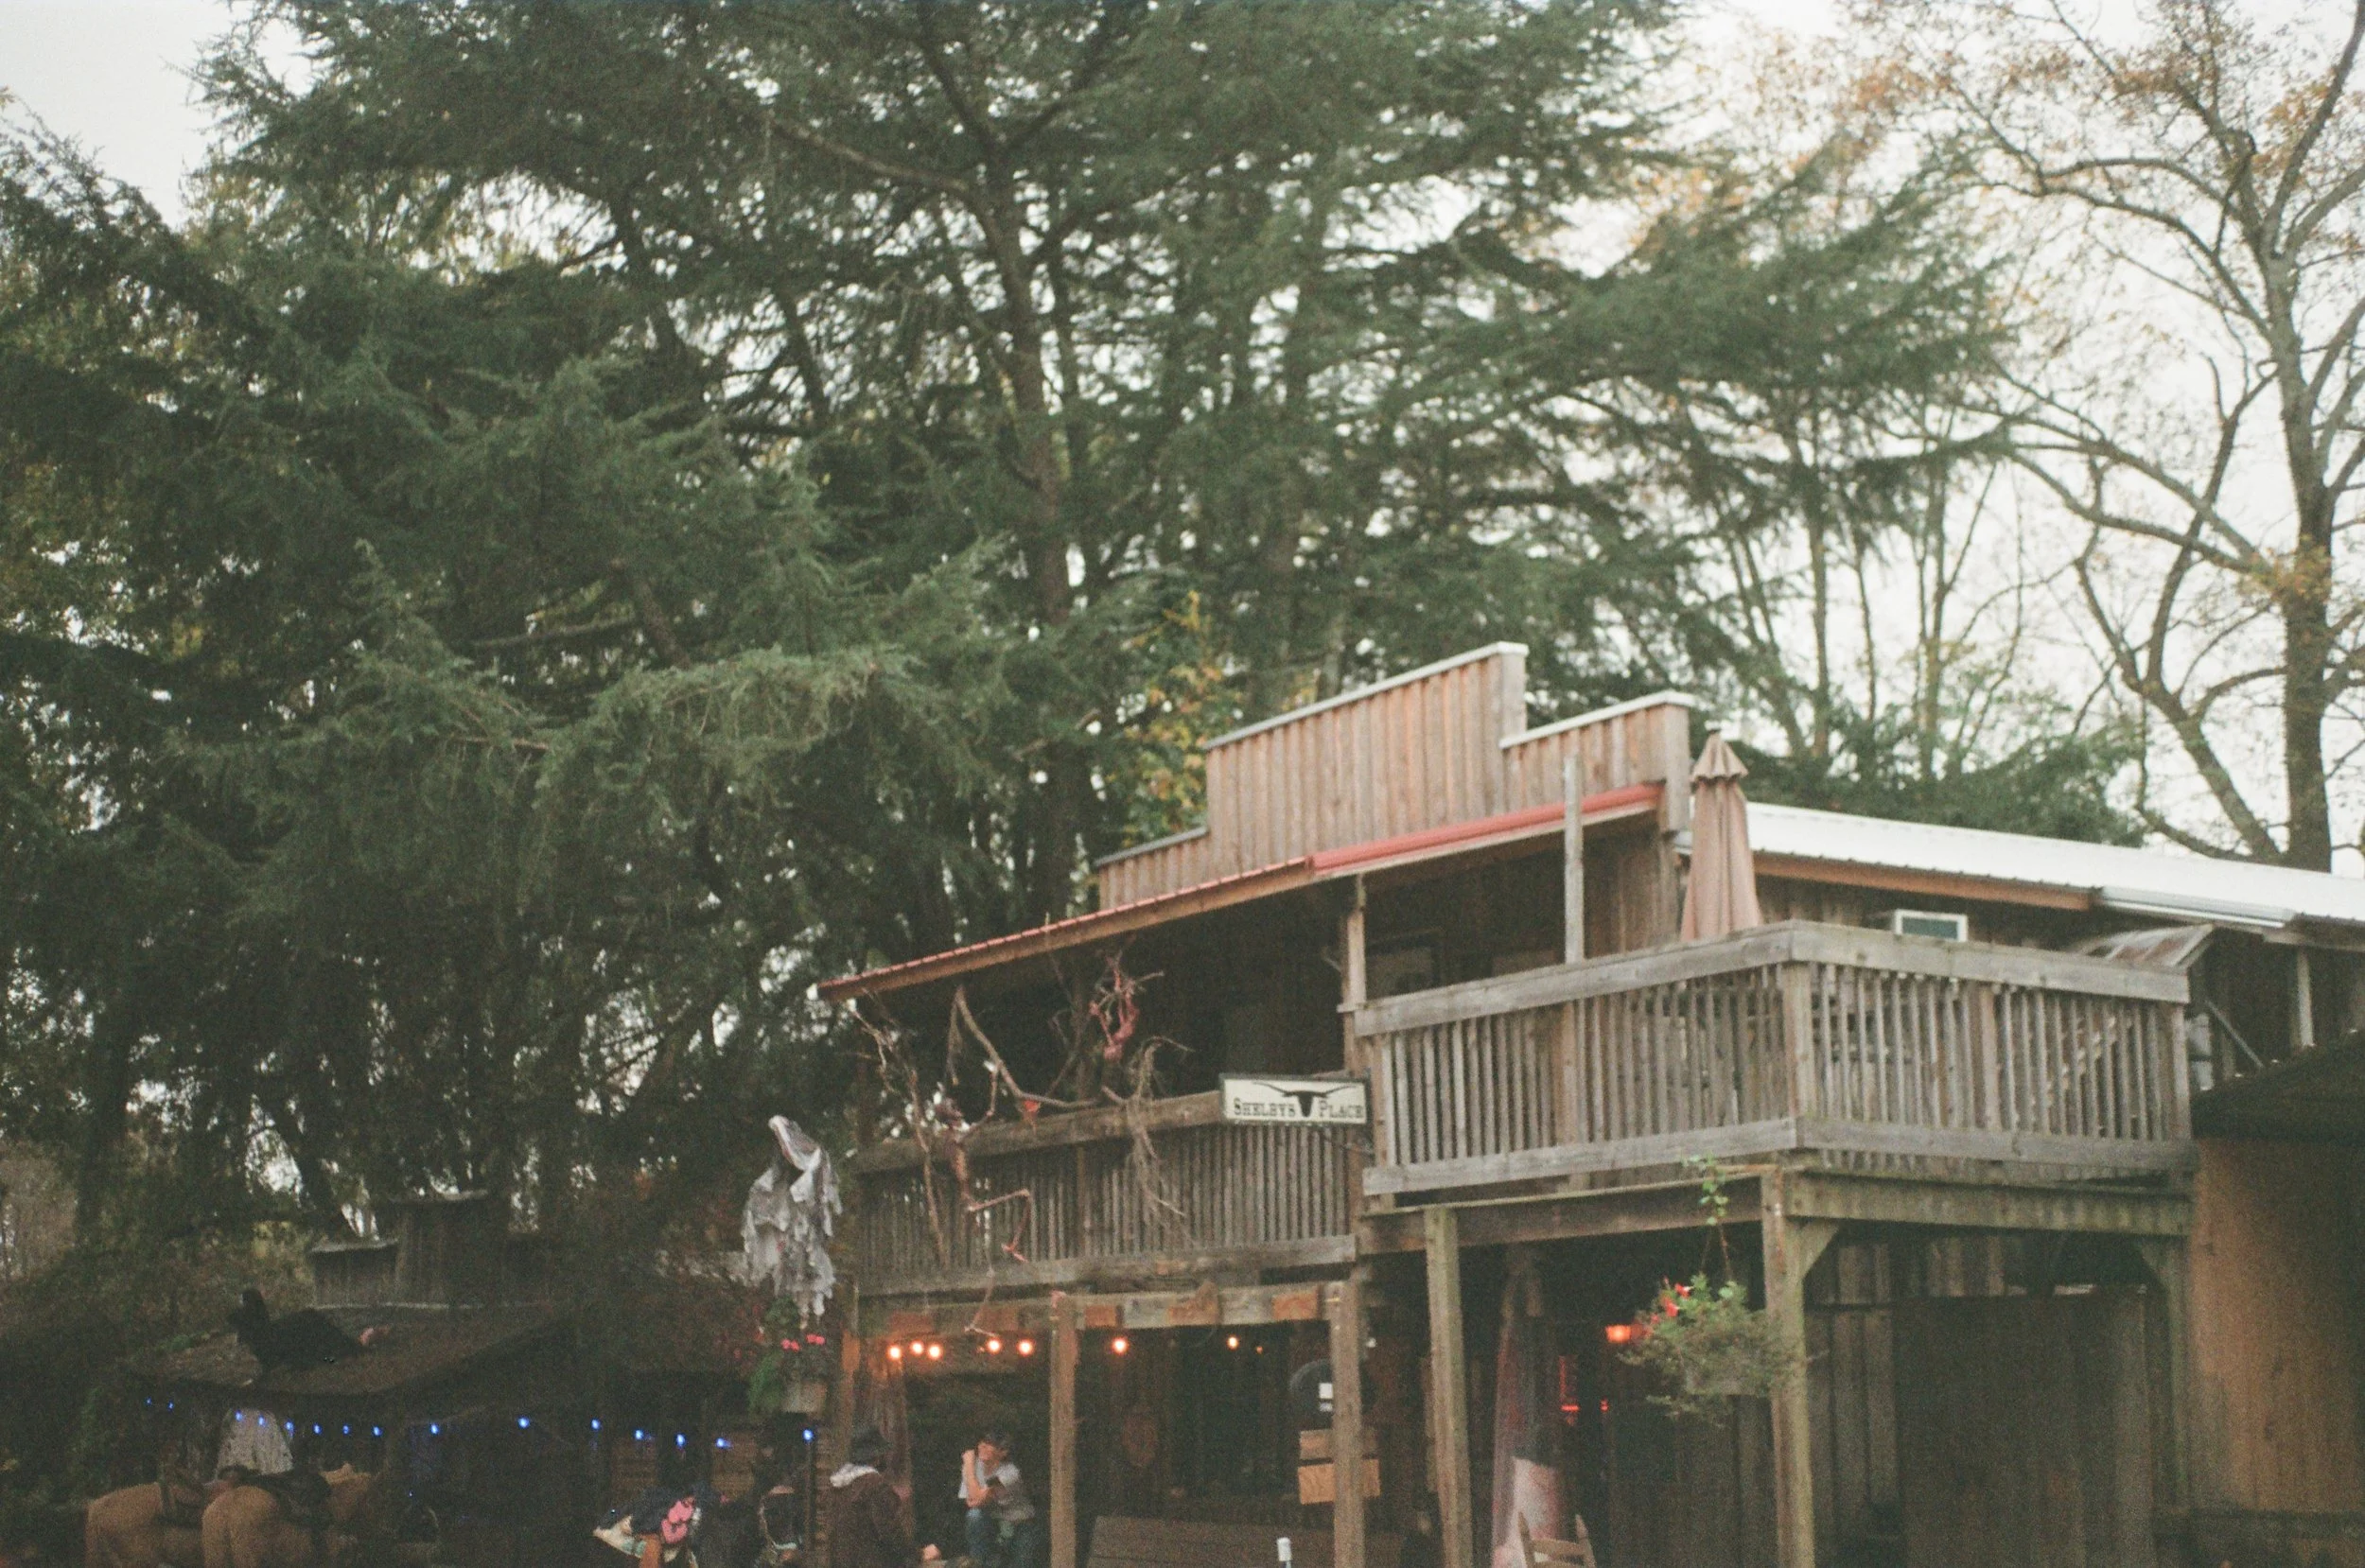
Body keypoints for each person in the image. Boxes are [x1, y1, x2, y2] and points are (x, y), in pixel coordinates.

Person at [823, 1427, 920, 1568]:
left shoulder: (837, 1488)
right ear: (877, 1457)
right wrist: (917, 1554)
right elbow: (889, 1532)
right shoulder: (875, 1485)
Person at [956, 1430, 1041, 1568]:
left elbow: (979, 1500)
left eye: (990, 1444)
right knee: (974, 1516)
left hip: (1018, 1524)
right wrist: (970, 1468)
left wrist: (968, 1466)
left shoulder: (1010, 1473)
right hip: (992, 1523)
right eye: (982, 1442)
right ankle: (979, 1563)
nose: (982, 1446)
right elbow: (971, 1503)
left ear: (1003, 1452)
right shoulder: (973, 1467)